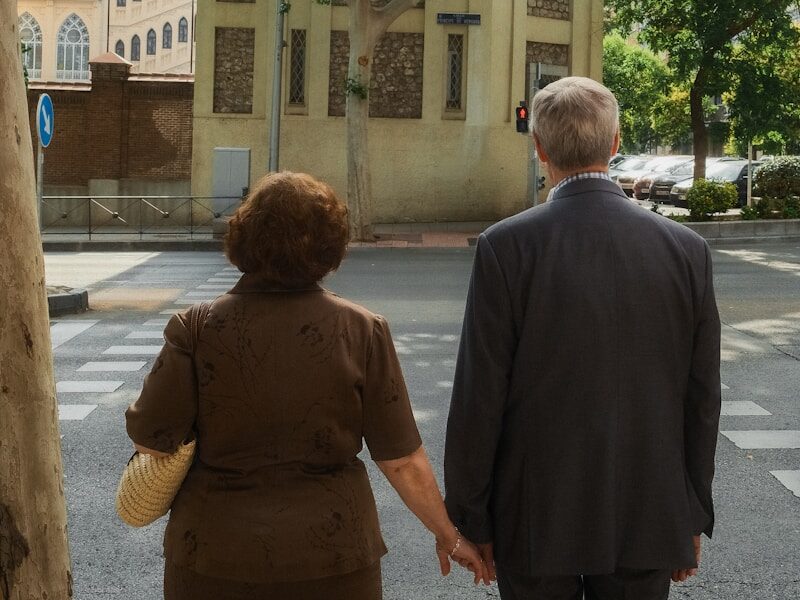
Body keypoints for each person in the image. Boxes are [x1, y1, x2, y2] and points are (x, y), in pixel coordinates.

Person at [125, 171, 489, 599]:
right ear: (330, 245)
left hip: (214, 555)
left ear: (242, 236)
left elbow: (151, 441)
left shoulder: (195, 327)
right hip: (334, 556)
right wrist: (448, 534)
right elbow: (402, 461)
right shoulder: (362, 330)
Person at [443, 77, 721, 600]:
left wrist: (470, 516)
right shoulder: (687, 250)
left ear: (539, 148)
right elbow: (701, 399)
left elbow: (479, 396)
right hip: (647, 507)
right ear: (615, 145)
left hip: (535, 511)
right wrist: (689, 511)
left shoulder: (506, 246)